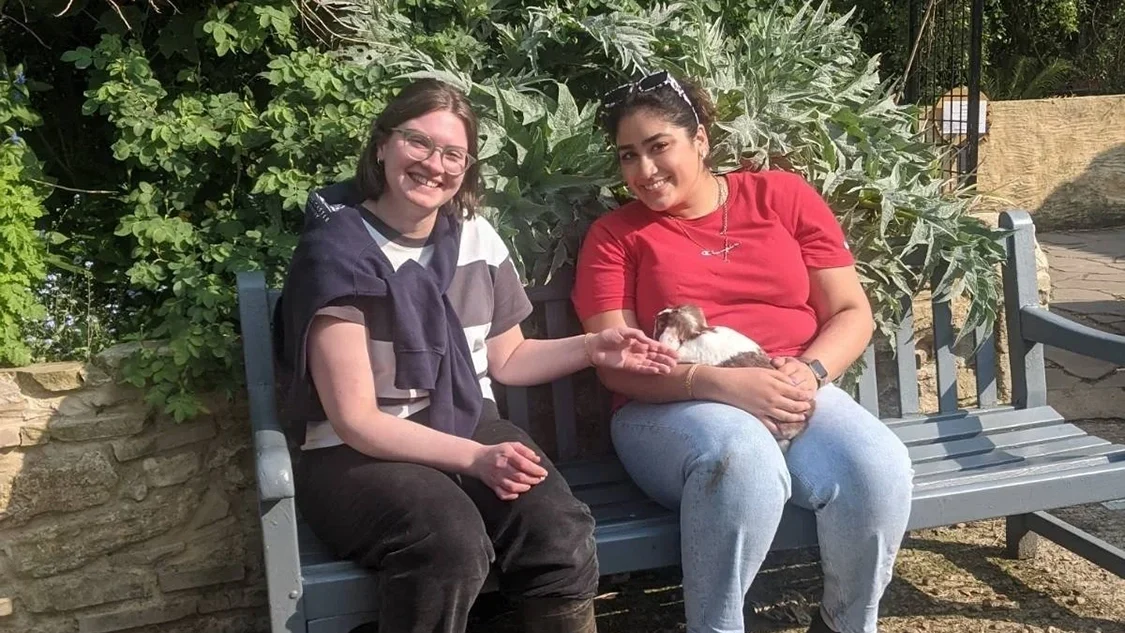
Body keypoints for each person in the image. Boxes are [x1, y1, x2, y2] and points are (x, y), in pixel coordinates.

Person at [274, 78, 678, 633]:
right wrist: (474, 460)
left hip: (467, 418)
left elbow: (508, 359)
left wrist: (594, 346)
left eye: (453, 154)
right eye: (418, 143)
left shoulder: (476, 237)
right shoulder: (336, 254)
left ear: (466, 167)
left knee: (557, 529)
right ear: (382, 145)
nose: (434, 164)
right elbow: (357, 420)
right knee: (448, 542)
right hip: (353, 454)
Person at [571, 70, 915, 633]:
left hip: (790, 387)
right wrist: (718, 383)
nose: (645, 171)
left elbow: (852, 311)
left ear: (700, 139)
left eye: (659, 147)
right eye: (628, 156)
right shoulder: (615, 236)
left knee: (877, 466)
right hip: (669, 407)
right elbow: (619, 365)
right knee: (742, 459)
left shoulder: (781, 196)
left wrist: (810, 372)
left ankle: (845, 623)